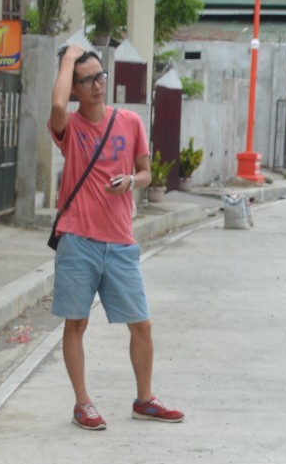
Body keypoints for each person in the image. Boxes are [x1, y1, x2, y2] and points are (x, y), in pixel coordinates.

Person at [48, 42, 184, 428]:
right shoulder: (70, 127)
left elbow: (146, 172)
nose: (96, 85)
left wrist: (130, 182)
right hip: (78, 239)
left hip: (121, 240)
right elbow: (57, 108)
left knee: (141, 323)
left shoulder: (129, 121)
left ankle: (145, 399)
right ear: (74, 87)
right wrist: (69, 58)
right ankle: (82, 403)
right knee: (76, 324)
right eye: (86, 79)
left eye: (99, 76)